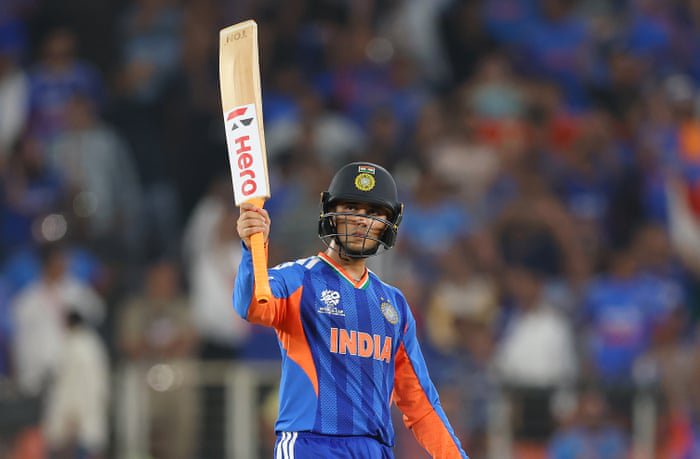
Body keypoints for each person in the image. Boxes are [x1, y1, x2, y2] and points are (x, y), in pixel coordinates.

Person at [234, 162, 468, 458]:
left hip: (375, 449)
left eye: (374, 213)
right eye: (351, 208)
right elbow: (252, 305)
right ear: (331, 212)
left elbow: (420, 404)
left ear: (388, 223)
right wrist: (252, 248)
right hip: (310, 446)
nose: (361, 221)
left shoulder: (394, 304)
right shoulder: (297, 279)